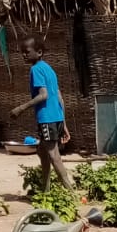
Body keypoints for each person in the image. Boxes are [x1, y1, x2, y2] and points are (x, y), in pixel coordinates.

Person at [12, 36, 72, 190]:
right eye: (22, 53)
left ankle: (70, 191)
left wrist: (21, 108)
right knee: (42, 151)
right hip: (56, 117)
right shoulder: (49, 69)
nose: (24, 55)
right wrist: (63, 123)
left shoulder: (36, 69)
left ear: (39, 52)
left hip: (47, 118)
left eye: (27, 52)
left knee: (53, 155)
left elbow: (43, 95)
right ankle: (45, 190)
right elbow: (59, 96)